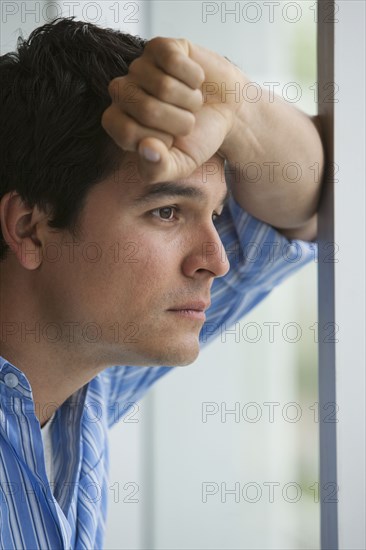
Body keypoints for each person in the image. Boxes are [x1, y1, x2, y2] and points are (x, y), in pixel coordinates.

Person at [0, 16, 323, 550]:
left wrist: (235, 106)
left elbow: (305, 202)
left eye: (216, 214)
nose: (215, 260)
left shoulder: (86, 385)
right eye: (168, 212)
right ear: (30, 228)